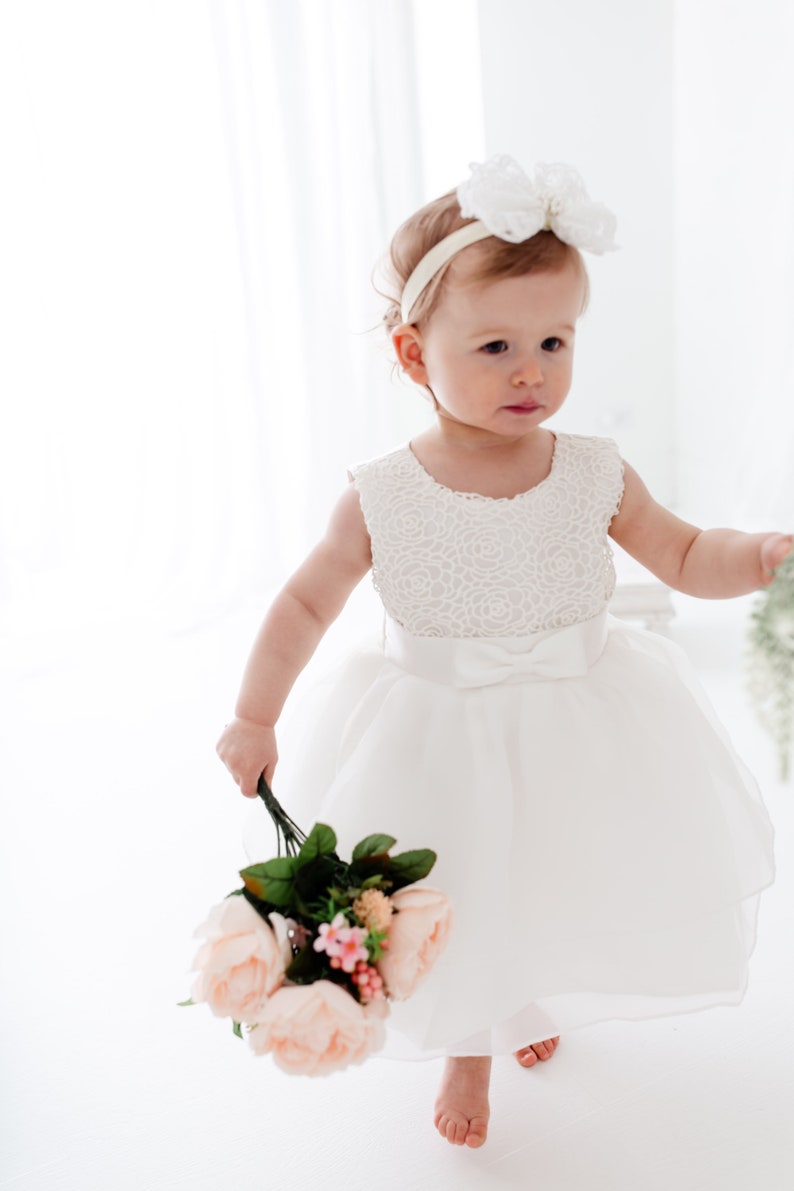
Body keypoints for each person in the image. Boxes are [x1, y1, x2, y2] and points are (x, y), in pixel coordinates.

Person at [217, 155, 790, 1149]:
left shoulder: (592, 471)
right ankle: (466, 1047)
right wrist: (254, 714)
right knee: (457, 894)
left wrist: (762, 557)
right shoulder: (383, 492)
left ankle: (521, 998)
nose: (530, 369)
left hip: (581, 722)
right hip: (436, 735)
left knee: (552, 877)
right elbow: (305, 603)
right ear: (411, 354)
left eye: (553, 340)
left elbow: (686, 553)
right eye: (492, 345)